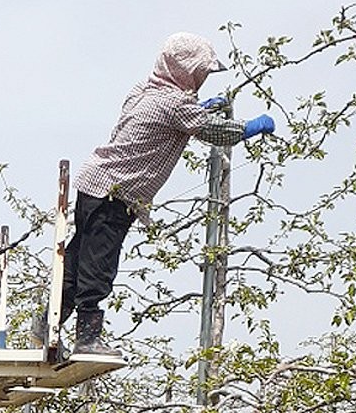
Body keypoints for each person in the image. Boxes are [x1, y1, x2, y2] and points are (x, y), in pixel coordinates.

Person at [48, 32, 276, 357]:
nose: (202, 79)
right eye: (200, 72)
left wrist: (198, 109)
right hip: (116, 194)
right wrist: (251, 127)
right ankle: (88, 338)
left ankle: (47, 326)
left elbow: (178, 117)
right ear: (186, 69)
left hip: (94, 183)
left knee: (76, 261)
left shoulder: (144, 90)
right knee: (98, 265)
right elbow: (213, 131)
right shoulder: (175, 104)